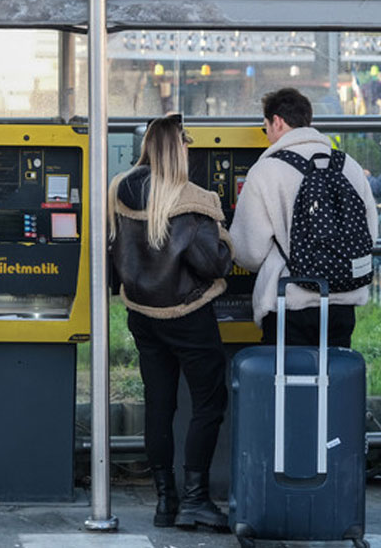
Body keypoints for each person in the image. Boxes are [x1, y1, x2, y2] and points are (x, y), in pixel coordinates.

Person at [108, 113, 234, 532]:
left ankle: (166, 501)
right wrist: (225, 235)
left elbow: (113, 254)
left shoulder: (121, 188)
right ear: (176, 147)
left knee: (159, 405)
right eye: (186, 142)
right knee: (209, 402)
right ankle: (196, 500)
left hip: (142, 316)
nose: (189, 148)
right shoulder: (191, 198)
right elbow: (214, 263)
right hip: (187, 314)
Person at [229, 88, 378, 347]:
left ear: (277, 121)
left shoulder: (266, 170)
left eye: (265, 127)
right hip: (342, 301)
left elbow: (249, 252)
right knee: (334, 377)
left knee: (286, 382)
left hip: (289, 299)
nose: (266, 135)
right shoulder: (348, 165)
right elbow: (369, 234)